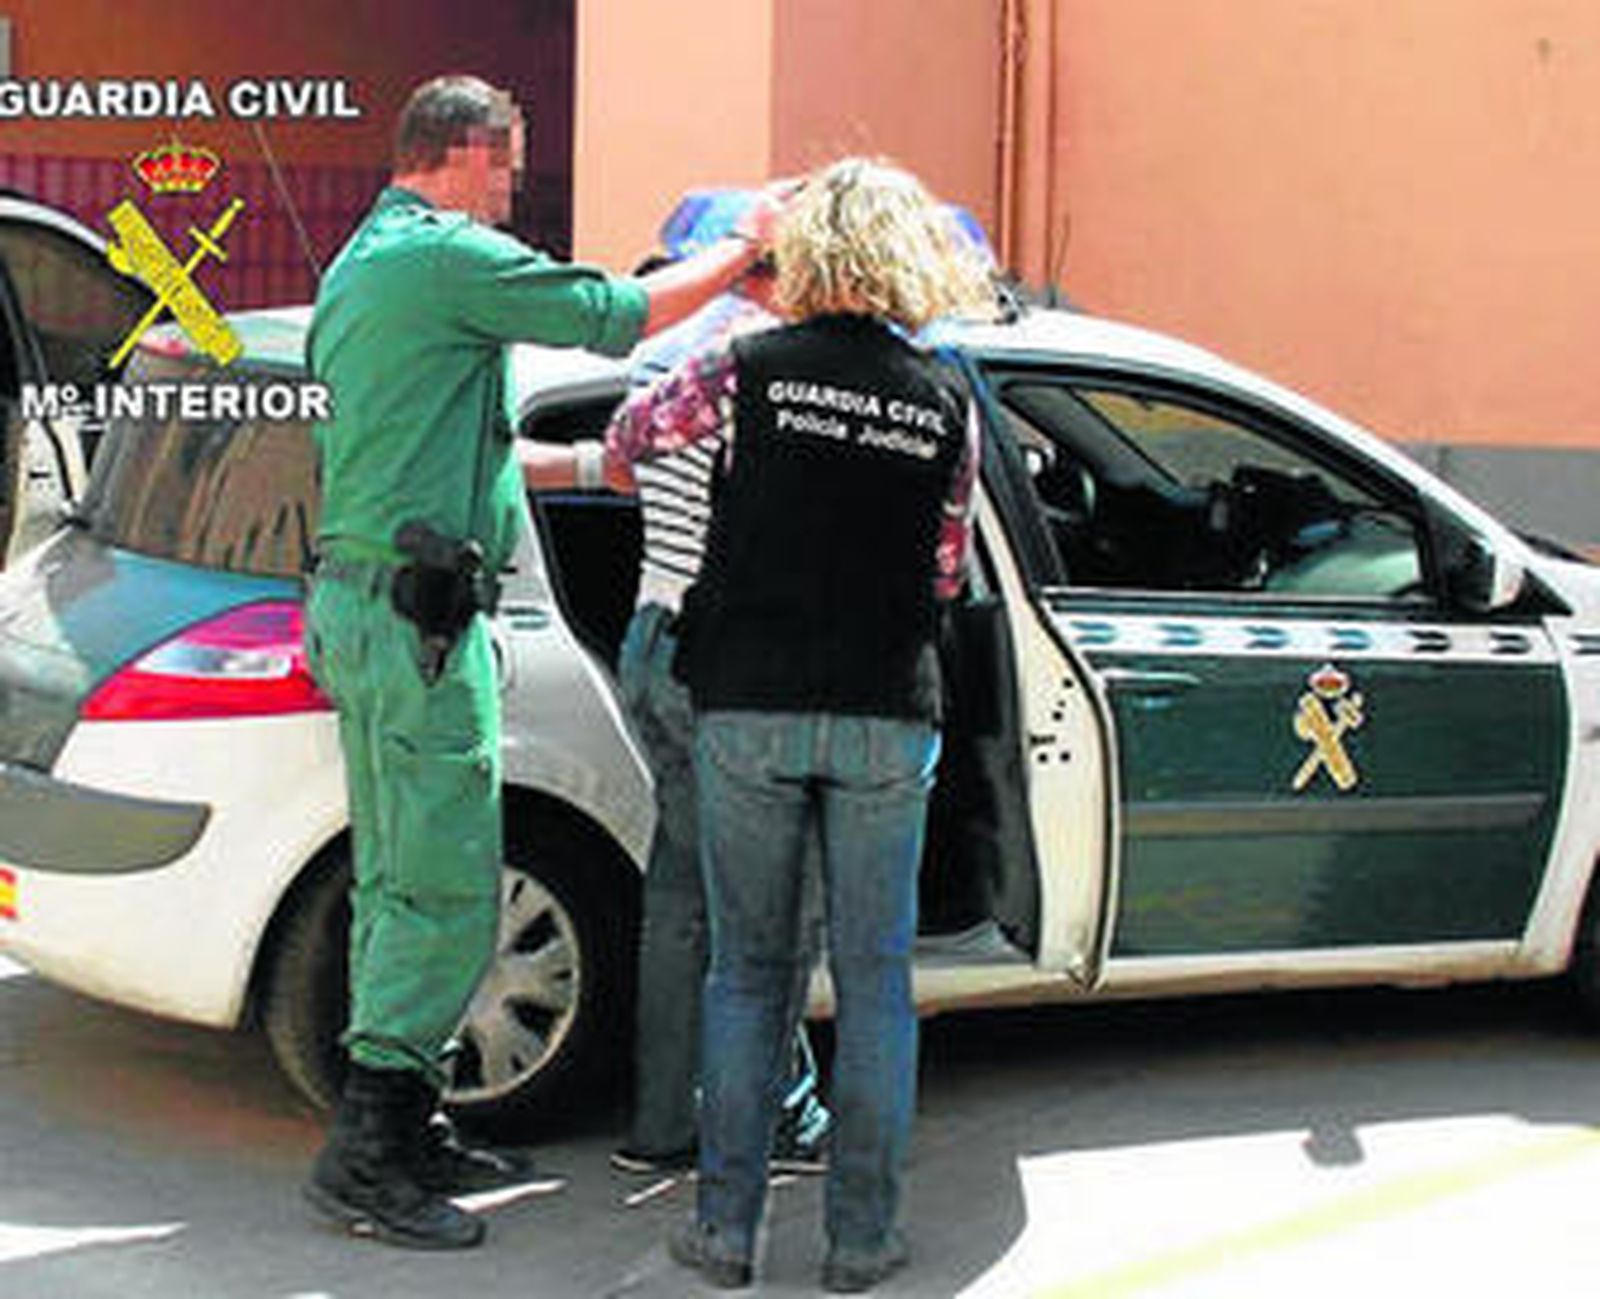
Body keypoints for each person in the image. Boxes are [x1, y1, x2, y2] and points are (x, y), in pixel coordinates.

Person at [300, 73, 779, 1251]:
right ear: (462, 153)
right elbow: (618, 313)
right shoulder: (444, 258)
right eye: (508, 167)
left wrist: (584, 471)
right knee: (447, 889)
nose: (513, 190)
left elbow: (442, 445)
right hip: (418, 626)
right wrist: (739, 257)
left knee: (397, 882)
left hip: (366, 600)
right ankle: (368, 1155)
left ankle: (404, 1121)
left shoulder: (365, 265)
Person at [603, 158, 994, 1291]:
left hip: (750, 701)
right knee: (874, 982)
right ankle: (862, 1240)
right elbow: (946, 563)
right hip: (885, 708)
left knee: (748, 974)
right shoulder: (945, 397)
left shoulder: (738, 365)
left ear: (807, 252)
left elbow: (631, 440)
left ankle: (725, 1234)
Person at [527, 225, 833, 1181]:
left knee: (681, 895)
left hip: (653, 643)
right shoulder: (772, 375)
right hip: (729, 659)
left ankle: (662, 1127)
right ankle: (774, 1116)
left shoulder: (671, 364)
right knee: (772, 903)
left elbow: (617, 458)